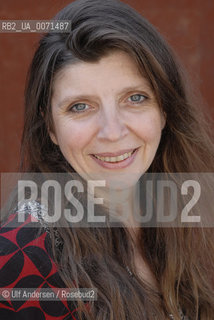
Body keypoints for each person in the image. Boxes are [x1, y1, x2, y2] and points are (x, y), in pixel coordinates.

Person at [0, 0, 214, 319]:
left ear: (164, 110)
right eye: (80, 106)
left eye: (135, 98)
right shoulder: (23, 253)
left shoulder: (194, 215)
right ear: (51, 128)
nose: (112, 132)